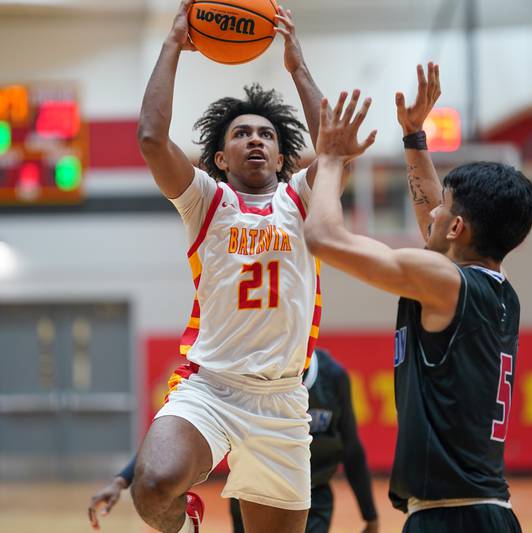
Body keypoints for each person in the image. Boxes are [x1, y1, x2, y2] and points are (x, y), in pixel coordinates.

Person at [98, 3, 368, 532]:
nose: (255, 139)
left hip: (284, 399)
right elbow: (152, 139)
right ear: (220, 158)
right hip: (212, 385)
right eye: (242, 133)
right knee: (153, 486)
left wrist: (296, 66)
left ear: (282, 154)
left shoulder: (302, 197)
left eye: (267, 134)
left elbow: (334, 154)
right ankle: (190, 520)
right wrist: (173, 42)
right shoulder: (206, 200)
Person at [303, 64, 532, 533]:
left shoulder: (445, 281)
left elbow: (323, 237)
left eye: (443, 209)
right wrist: (414, 137)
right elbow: (441, 230)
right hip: (489, 511)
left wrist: (329, 160)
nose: (430, 211)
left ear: (456, 227)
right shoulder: (497, 286)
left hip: (451, 519)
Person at [89, 348, 379, 533]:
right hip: (248, 491)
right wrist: (122, 479)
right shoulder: (231, 375)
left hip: (313, 496)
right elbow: (172, 432)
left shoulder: (333, 375)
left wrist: (370, 514)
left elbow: (352, 450)